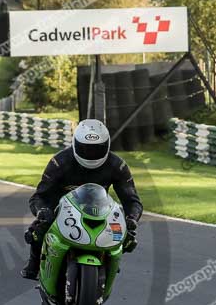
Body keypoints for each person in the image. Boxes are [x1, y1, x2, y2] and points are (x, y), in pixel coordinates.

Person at [20, 119, 143, 280]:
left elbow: (132, 200)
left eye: (96, 149)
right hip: (61, 208)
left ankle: (111, 262)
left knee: (126, 236)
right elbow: (40, 196)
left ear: (106, 145)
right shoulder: (60, 162)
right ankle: (34, 265)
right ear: (75, 144)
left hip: (100, 210)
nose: (91, 153)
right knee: (39, 228)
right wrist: (42, 211)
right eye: (86, 148)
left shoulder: (117, 165)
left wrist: (131, 219)